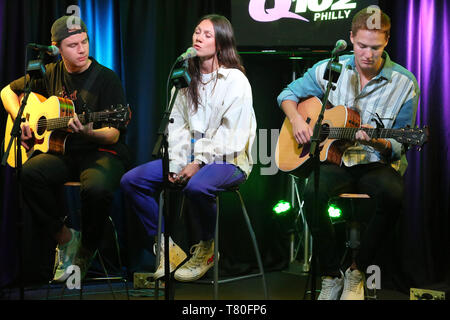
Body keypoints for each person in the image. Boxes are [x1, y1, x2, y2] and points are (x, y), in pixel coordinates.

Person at [277, 6, 419, 300]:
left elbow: (399, 143)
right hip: (335, 160)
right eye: (361, 45)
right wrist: (295, 120)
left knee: (394, 194)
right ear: (351, 38)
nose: (367, 53)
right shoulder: (331, 68)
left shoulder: (406, 84)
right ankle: (331, 274)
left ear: (387, 41)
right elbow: (287, 94)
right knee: (312, 191)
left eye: (375, 47)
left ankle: (356, 270)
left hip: (375, 164)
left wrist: (376, 141)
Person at [121, 14, 256, 282]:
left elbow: (231, 136)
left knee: (198, 186)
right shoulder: (184, 81)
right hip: (188, 161)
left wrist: (198, 163)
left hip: (229, 160)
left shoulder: (234, 81)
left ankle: (207, 247)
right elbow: (177, 128)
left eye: (207, 34)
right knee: (132, 181)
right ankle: (167, 250)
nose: (198, 37)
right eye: (197, 32)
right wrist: (176, 164)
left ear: (220, 43)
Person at [1, 16, 130, 282]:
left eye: (84, 42)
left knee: (96, 187)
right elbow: (6, 92)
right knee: (28, 173)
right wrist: (21, 120)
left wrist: (89, 131)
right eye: (73, 45)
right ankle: (66, 238)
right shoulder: (49, 73)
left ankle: (87, 248)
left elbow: (114, 133)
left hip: (100, 150)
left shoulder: (107, 79)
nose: (81, 50)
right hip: (63, 152)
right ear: (57, 47)